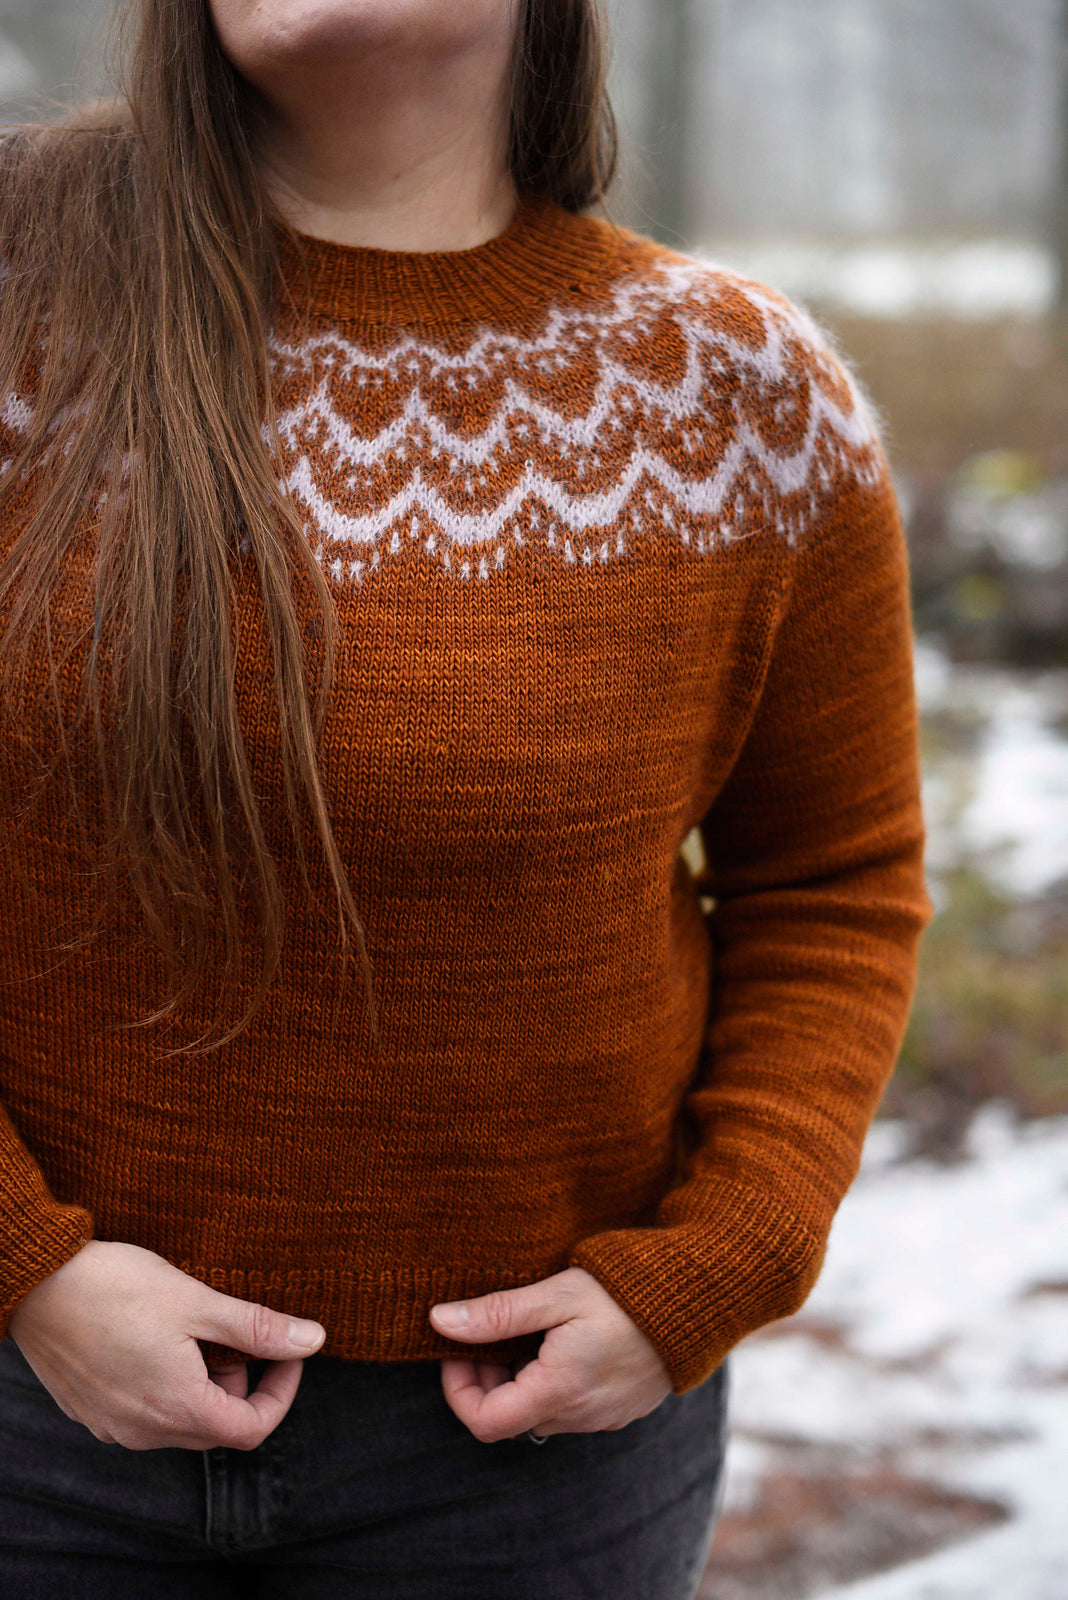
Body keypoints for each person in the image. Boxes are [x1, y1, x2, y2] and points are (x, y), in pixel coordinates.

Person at [0, 0, 932, 1594]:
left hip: (531, 1466)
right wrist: (22, 1268)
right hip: (27, 1425)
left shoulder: (740, 397)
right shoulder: (26, 304)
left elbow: (831, 875)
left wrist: (719, 1260)